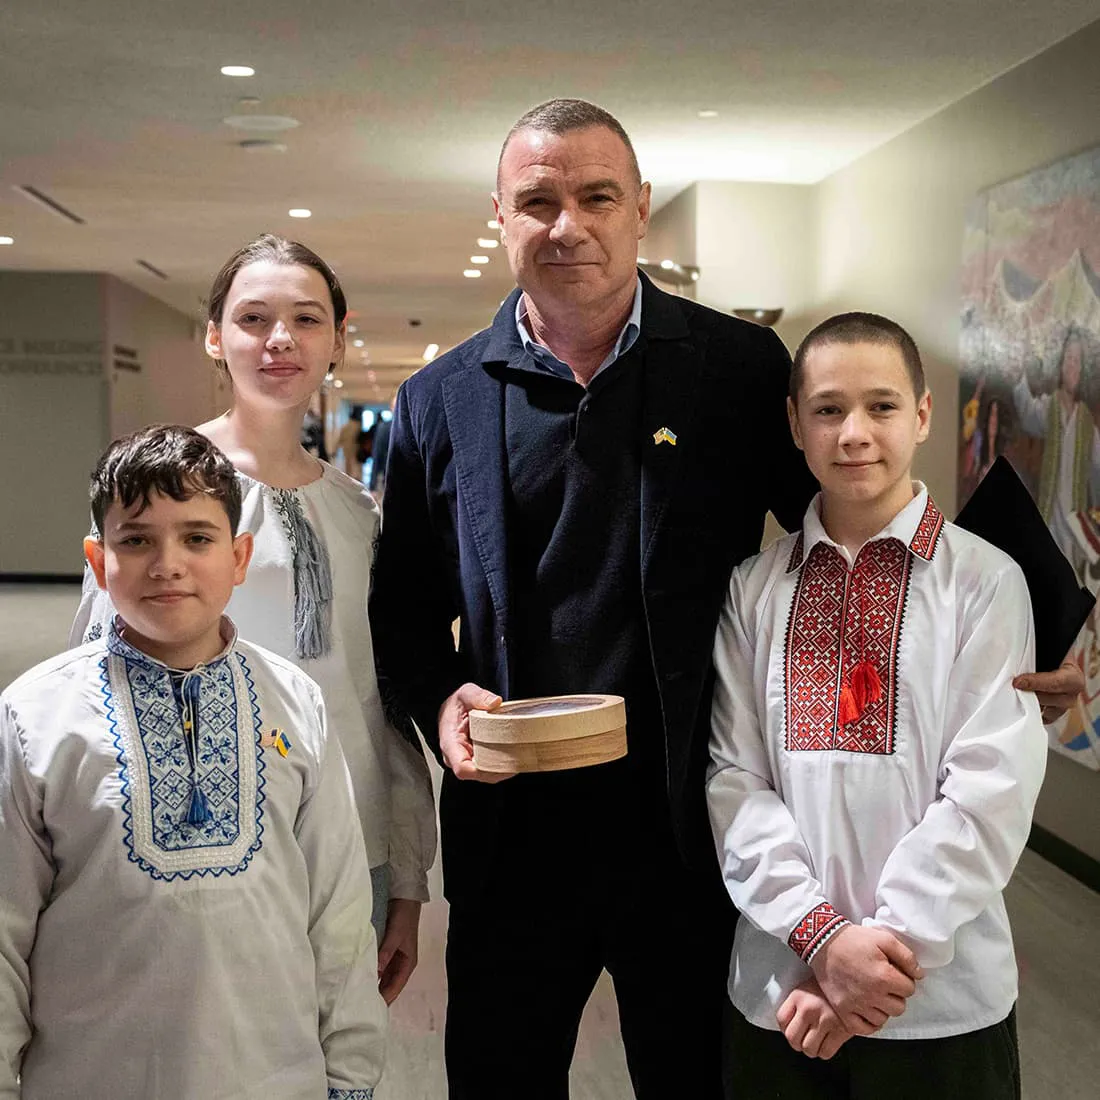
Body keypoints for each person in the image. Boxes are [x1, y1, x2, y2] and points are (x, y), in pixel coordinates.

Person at [370, 99, 1080, 1099]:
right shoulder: (436, 400)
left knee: (694, 1080)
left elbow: (856, 514)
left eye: (595, 196)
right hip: (512, 839)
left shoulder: (736, 370)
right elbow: (399, 609)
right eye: (536, 200)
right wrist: (443, 699)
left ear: (640, 210)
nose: (566, 222)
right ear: (501, 215)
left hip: (687, 831)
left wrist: (1037, 629)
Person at [71, 234, 435, 1004]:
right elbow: (95, 681)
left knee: (333, 1061)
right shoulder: (155, 498)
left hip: (349, 841)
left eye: (306, 319)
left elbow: (381, 700)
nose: (279, 340)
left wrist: (406, 877)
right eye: (253, 318)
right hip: (194, 848)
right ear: (214, 335)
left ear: (338, 337)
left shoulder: (357, 511)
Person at [706, 314, 1046, 1099]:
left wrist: (876, 957)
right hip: (781, 990)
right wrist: (825, 943)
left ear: (923, 415)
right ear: (795, 424)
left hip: (940, 1000)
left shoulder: (985, 583)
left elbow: (988, 791)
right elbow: (734, 781)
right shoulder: (753, 588)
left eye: (882, 406)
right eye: (828, 409)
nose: (854, 432)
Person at [1, 425, 387, 1099]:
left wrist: (350, 1076)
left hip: (273, 1076)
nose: (167, 563)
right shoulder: (35, 718)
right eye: (136, 539)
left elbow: (339, 914)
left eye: (198, 538)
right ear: (98, 560)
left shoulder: (295, 703)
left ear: (240, 557)